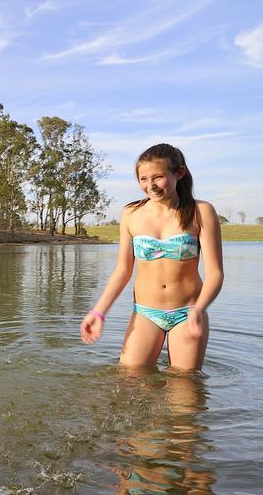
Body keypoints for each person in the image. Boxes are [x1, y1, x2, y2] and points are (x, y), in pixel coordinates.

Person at [80, 144, 223, 370]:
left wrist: (199, 309)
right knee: (129, 382)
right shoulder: (131, 214)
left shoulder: (201, 211)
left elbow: (215, 273)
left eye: (158, 177)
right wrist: (98, 311)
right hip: (145, 313)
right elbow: (123, 270)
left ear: (179, 173)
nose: (150, 186)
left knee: (185, 394)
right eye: (143, 179)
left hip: (188, 313)